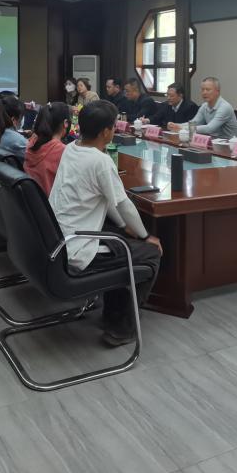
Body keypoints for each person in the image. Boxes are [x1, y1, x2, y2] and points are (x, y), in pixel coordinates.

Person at [49, 100, 162, 347]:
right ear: (106, 132)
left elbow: (107, 198)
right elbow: (123, 204)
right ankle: (121, 328)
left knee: (123, 241)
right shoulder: (100, 161)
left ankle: (113, 313)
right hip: (76, 247)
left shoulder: (71, 148)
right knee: (150, 252)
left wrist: (124, 226)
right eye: (114, 126)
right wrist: (145, 236)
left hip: (57, 237)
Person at [24, 101, 71, 194]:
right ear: (65, 123)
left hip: (31, 199)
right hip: (51, 201)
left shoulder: (32, 141)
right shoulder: (63, 151)